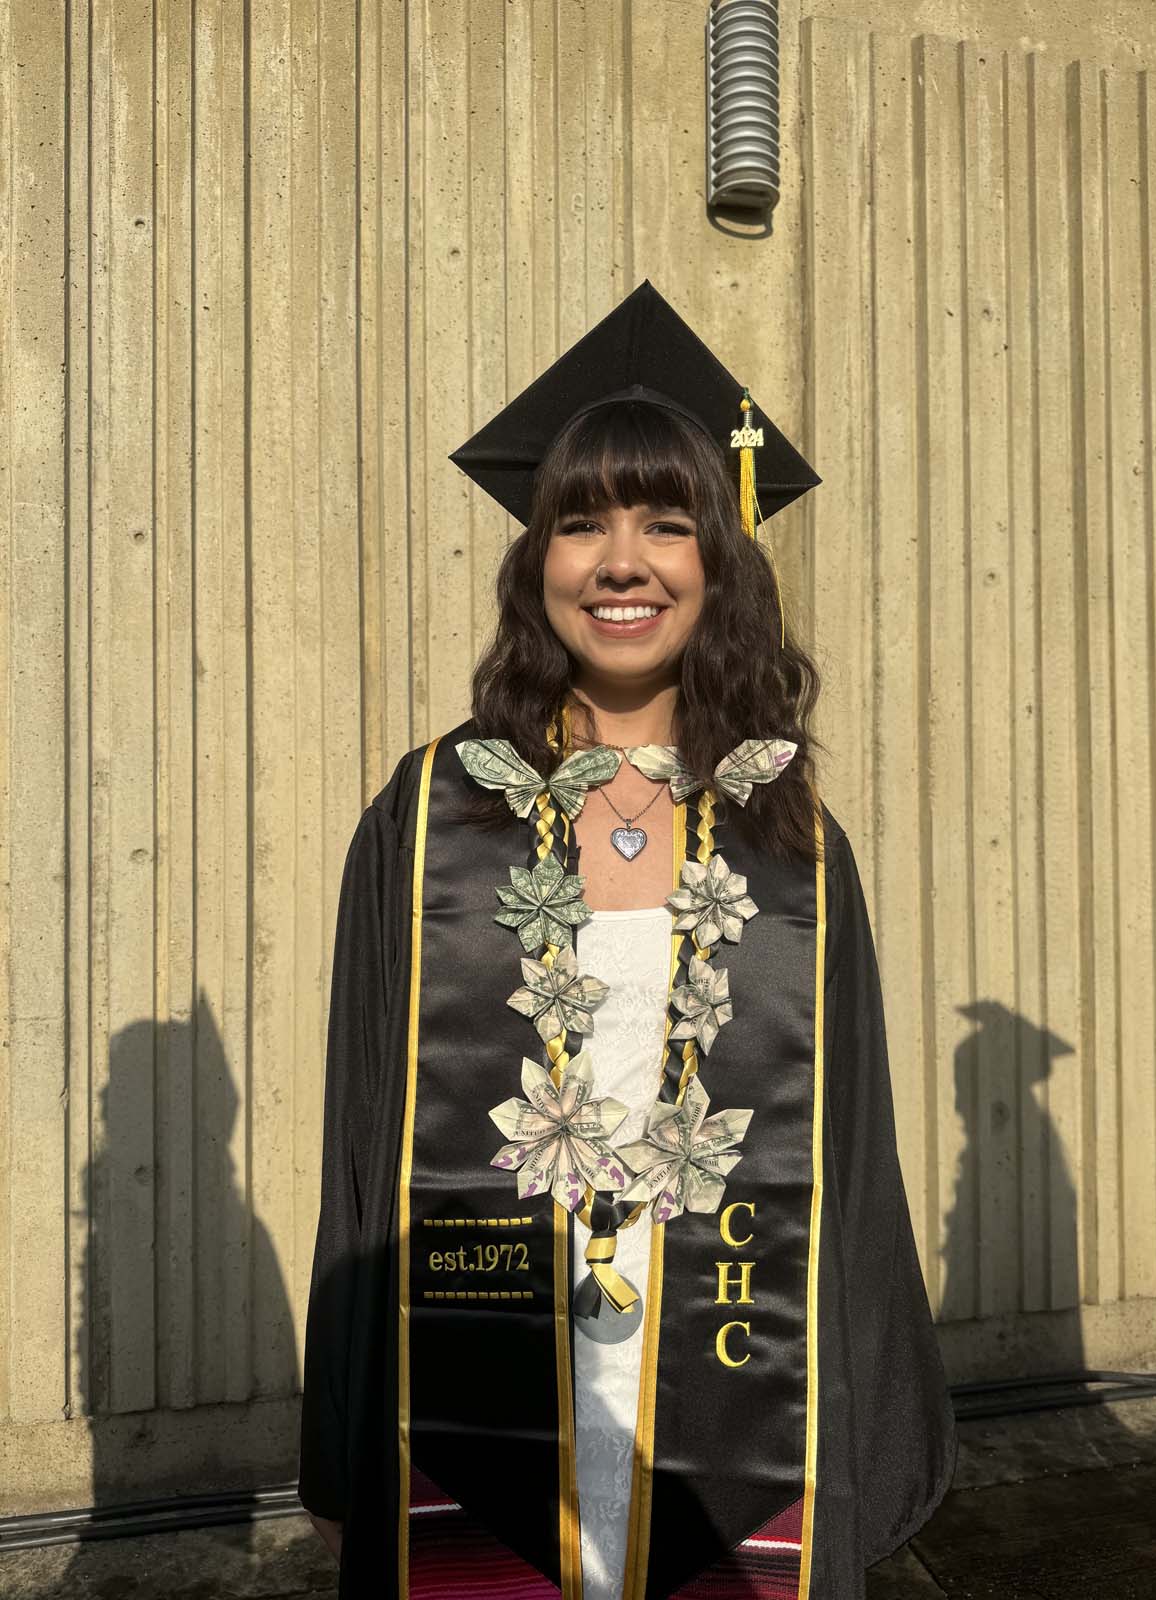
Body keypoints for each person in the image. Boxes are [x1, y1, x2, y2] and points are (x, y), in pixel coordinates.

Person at [297, 280, 956, 1599]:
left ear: (721, 561)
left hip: (729, 1402)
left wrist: (860, 1438)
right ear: (532, 560)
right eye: (580, 521)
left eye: (668, 522)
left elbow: (854, 1178)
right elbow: (367, 1147)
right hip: (486, 1407)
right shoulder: (433, 814)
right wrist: (355, 1426)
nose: (621, 561)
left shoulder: (793, 846)